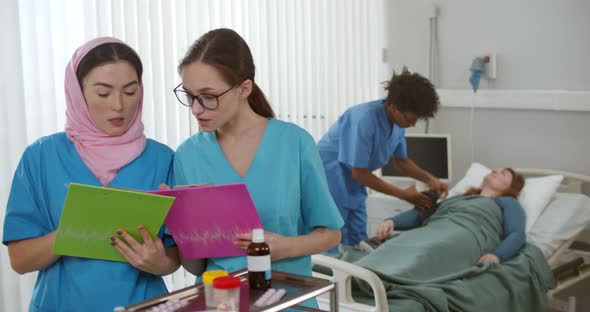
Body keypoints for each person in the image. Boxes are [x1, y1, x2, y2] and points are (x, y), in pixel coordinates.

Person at [2, 37, 180, 311]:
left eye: (130, 91)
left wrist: (160, 264)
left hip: (144, 304)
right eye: (103, 93)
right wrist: (74, 230)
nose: (119, 105)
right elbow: (20, 260)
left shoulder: (163, 159)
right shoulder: (40, 157)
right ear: (78, 93)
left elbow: (176, 253)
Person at [172, 28, 343, 308]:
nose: (196, 109)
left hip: (288, 300)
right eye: (189, 96)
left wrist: (285, 247)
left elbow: (331, 234)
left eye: (208, 96)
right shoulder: (187, 155)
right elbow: (194, 266)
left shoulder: (294, 143)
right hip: (220, 302)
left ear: (244, 89)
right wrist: (181, 225)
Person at [318, 68, 448, 251]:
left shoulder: (397, 122)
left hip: (353, 185)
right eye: (410, 119)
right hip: (330, 179)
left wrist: (430, 179)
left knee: (358, 243)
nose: (412, 125)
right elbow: (359, 172)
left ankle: (356, 278)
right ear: (393, 107)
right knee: (329, 242)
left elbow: (401, 161)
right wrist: (402, 194)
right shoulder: (363, 119)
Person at [370, 168, 526, 264]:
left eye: (502, 173)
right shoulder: (458, 198)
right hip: (434, 230)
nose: (494, 171)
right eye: (496, 170)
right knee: (402, 243)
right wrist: (392, 221)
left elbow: (516, 233)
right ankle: (372, 269)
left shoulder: (508, 202)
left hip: (467, 235)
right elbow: (422, 215)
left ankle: (385, 276)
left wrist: (496, 256)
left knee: (430, 250)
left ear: (510, 187)